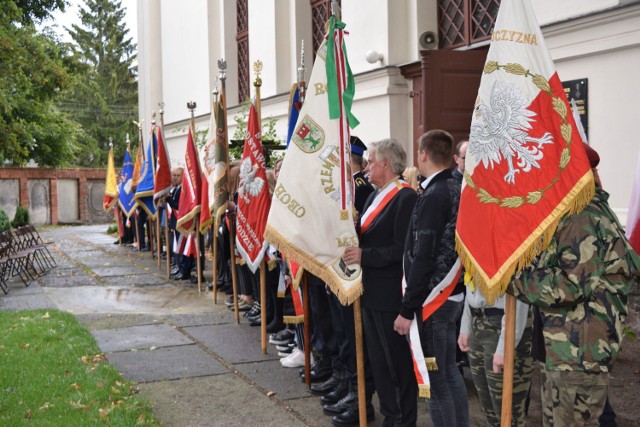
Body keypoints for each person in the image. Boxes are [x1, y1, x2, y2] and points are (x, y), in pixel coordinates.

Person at [509, 144, 640, 426]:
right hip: (568, 351)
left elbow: (570, 285)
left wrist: (515, 280)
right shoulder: (578, 213)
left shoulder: (582, 217)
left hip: (577, 352)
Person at [394, 129, 469, 427]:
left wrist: (406, 309)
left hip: (435, 299)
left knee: (437, 381)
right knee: (450, 374)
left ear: (423, 153)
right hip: (451, 295)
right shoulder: (454, 187)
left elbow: (423, 255)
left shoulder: (435, 195)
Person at [343, 138, 418, 426]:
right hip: (371, 292)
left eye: (371, 161)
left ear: (386, 164)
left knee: (395, 363)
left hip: (390, 295)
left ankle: (402, 418)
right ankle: (390, 413)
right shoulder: (375, 195)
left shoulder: (405, 197)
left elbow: (402, 250)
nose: (366, 167)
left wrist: (365, 254)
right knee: (378, 362)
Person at [458, 280, 532, 426]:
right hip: (477, 322)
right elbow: (471, 282)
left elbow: (520, 295)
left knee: (508, 413)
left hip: (503, 325)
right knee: (488, 408)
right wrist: (465, 325)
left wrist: (506, 346)